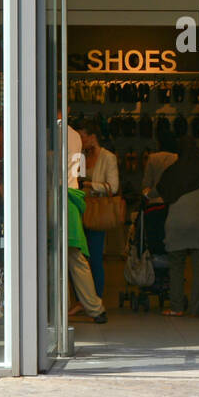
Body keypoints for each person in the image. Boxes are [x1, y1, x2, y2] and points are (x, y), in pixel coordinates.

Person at [156, 137, 199, 317]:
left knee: (176, 266)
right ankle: (195, 309)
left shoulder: (172, 171)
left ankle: (176, 307)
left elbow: (161, 191)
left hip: (177, 223)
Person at [64, 121, 106, 323]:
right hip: (71, 198)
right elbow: (79, 175)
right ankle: (95, 307)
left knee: (55, 257)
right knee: (76, 257)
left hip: (55, 198)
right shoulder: (74, 136)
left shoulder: (47, 132)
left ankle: (53, 307)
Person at [79, 120, 118, 301]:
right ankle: (83, 300)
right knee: (79, 259)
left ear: (92, 137)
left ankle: (96, 299)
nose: (80, 140)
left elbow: (113, 187)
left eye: (82, 137)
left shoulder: (107, 157)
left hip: (96, 211)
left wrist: (88, 184)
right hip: (80, 209)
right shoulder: (79, 156)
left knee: (94, 257)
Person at [142, 130, 179, 203]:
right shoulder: (178, 158)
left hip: (156, 202)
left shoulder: (152, 158)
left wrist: (147, 195)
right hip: (174, 201)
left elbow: (146, 184)